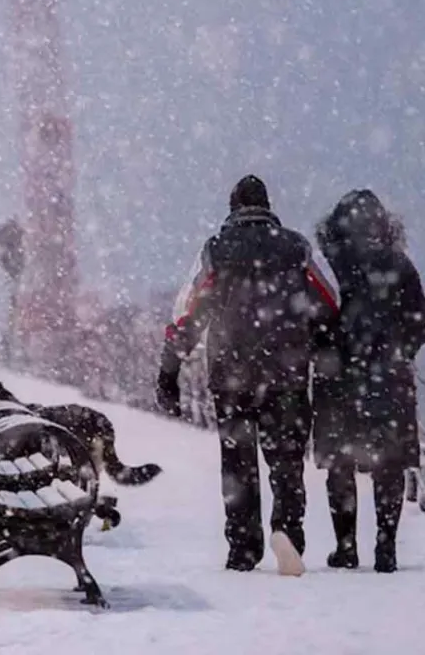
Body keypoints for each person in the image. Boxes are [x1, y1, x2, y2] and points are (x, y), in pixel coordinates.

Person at [156, 175, 336, 573]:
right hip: (286, 371)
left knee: (237, 460)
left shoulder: (217, 251)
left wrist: (169, 371)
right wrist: (320, 343)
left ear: (233, 208)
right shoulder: (296, 247)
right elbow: (329, 299)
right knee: (286, 457)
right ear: (268, 206)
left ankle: (243, 546)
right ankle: (287, 530)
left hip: (231, 373)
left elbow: (188, 311)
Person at [312, 190, 425, 573]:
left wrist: (328, 351)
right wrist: (398, 352)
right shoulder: (400, 265)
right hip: (390, 381)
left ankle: (346, 548)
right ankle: (386, 547)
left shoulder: (329, 267)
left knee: (341, 466)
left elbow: (314, 318)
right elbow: (421, 322)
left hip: (339, 379)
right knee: (389, 465)